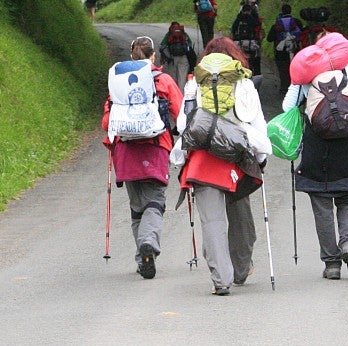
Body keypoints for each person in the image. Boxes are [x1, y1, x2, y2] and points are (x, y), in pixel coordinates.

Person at [174, 37, 271, 295]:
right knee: (241, 217)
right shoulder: (244, 83)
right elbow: (257, 124)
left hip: (202, 161)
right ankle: (240, 270)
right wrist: (261, 160)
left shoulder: (195, 83)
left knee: (212, 221)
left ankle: (221, 280)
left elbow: (183, 126)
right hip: (237, 159)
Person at [282, 33, 348, 280]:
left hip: (316, 144)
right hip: (346, 143)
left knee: (321, 202)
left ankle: (332, 264)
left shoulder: (306, 75)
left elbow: (287, 107)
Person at [102, 35, 184, 280]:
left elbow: (107, 122)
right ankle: (148, 244)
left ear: (131, 56)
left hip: (125, 152)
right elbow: (181, 115)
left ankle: (142, 259)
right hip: (156, 148)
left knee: (137, 208)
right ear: (153, 56)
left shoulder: (118, 84)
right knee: (155, 203)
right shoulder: (163, 80)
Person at [267, 4, 303, 98]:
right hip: (294, 51)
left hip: (280, 53)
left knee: (283, 71)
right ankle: (295, 89)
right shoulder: (297, 22)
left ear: (281, 11)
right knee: (294, 70)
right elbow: (302, 35)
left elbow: (269, 39)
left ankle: (284, 89)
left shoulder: (276, 25)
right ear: (291, 11)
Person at [158, 21, 196, 92]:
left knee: (173, 78)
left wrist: (163, 58)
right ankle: (182, 96)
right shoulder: (184, 34)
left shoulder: (169, 34)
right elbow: (189, 45)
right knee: (182, 78)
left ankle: (174, 95)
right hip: (183, 58)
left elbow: (163, 46)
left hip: (172, 58)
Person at [230, 0, 265, 76]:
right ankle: (256, 76)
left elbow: (232, 31)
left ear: (242, 10)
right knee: (255, 62)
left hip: (240, 44)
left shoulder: (238, 19)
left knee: (241, 61)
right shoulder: (254, 19)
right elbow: (260, 31)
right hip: (252, 44)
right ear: (250, 11)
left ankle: (242, 75)